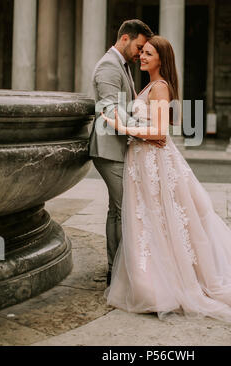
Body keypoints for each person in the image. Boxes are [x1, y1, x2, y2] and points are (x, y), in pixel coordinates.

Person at [100, 35, 231, 324]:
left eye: (148, 53)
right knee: (151, 222)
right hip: (143, 162)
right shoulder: (151, 86)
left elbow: (160, 133)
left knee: (160, 221)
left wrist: (121, 125)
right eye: (142, 52)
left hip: (153, 162)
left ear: (160, 60)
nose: (142, 56)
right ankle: (151, 281)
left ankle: (163, 285)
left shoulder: (160, 87)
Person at [89, 20, 166, 287]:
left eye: (145, 49)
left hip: (117, 146)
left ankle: (116, 270)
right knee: (125, 211)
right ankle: (122, 274)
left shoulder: (122, 65)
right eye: (138, 46)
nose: (140, 53)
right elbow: (110, 109)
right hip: (109, 149)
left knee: (117, 211)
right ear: (124, 38)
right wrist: (145, 130)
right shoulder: (110, 66)